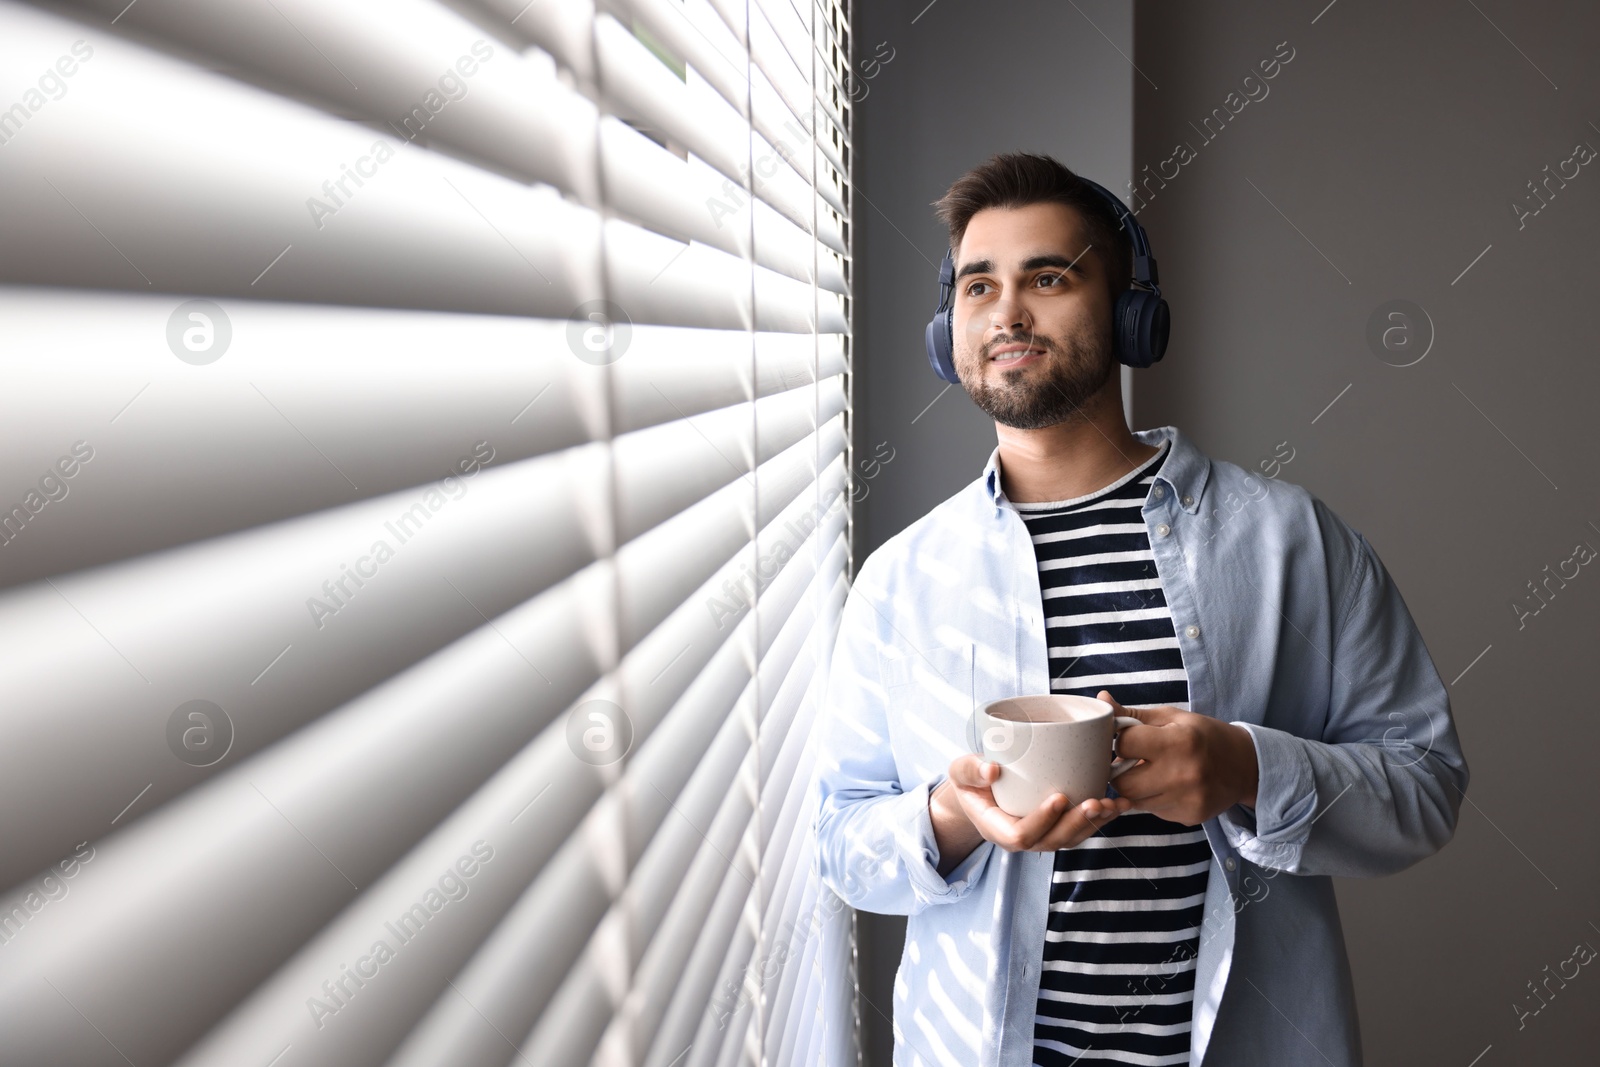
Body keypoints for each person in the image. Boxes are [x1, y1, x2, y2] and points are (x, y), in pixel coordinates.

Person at [809, 152, 1468, 1066]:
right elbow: (840, 838)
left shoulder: (1293, 541)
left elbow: (1426, 786)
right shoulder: (900, 578)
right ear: (948, 328)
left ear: (1130, 313)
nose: (1007, 310)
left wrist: (1245, 767)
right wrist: (953, 816)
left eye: (1048, 277)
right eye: (978, 285)